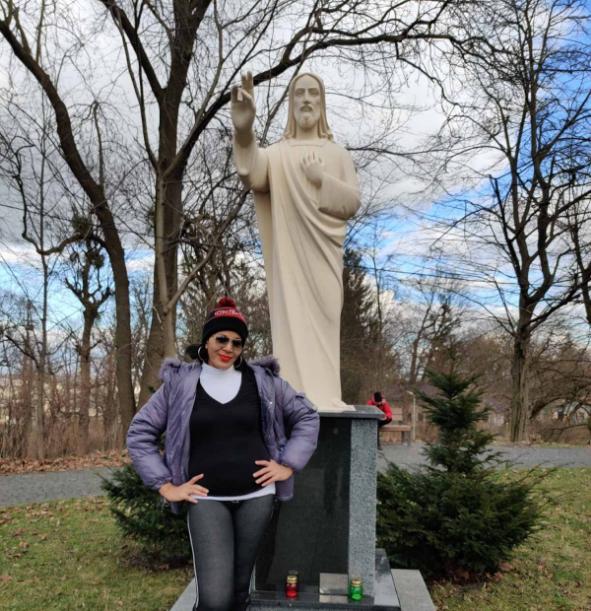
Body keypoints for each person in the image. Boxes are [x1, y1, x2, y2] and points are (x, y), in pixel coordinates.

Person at [127, 297, 320, 611]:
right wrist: (165, 485)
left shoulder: (263, 382)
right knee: (215, 600)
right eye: (221, 339)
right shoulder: (180, 384)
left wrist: (288, 464)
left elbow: (307, 416)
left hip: (257, 497)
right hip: (206, 500)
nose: (228, 347)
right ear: (207, 340)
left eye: (237, 342)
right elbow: (139, 433)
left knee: (239, 591)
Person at [232, 72, 360, 410]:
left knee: (326, 323)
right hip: (289, 264)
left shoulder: (337, 154)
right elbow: (252, 174)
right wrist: (244, 131)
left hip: (324, 259)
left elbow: (351, 203)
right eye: (299, 93)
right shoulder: (278, 154)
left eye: (313, 93)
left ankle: (326, 396)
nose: (306, 99)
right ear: (291, 104)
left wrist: (321, 180)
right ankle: (293, 397)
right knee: (292, 328)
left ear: (322, 102)